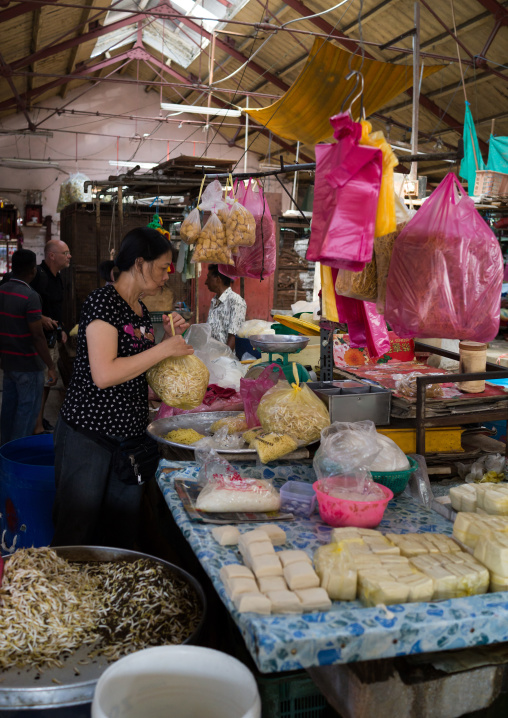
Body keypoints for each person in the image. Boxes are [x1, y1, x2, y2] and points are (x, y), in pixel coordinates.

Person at [52, 227, 192, 549]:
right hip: (90, 438)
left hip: (128, 444)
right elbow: (104, 374)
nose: (164, 277)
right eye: (161, 268)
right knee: (77, 532)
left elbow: (135, 369)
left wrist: (167, 346)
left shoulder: (141, 311)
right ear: (140, 264)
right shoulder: (103, 302)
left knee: (120, 536)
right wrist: (163, 349)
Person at [0, 250, 57, 445]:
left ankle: (4, 450)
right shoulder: (30, 296)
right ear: (33, 270)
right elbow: (37, 336)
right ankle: (17, 453)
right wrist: (50, 365)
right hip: (28, 364)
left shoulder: (3, 290)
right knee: (26, 413)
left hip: (8, 363)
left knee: (8, 409)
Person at [30, 239, 72, 433]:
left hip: (51, 338)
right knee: (39, 382)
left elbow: (55, 308)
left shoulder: (58, 277)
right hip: (36, 340)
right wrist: (40, 317)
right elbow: (24, 303)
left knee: (47, 382)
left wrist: (61, 327)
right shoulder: (37, 276)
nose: (69, 256)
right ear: (52, 255)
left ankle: (39, 420)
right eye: (65, 252)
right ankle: (35, 425)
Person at [205, 264, 246, 351]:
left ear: (218, 279)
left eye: (208, 278)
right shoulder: (214, 301)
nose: (206, 282)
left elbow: (234, 335)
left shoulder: (236, 301)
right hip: (212, 355)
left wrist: (224, 358)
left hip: (225, 359)